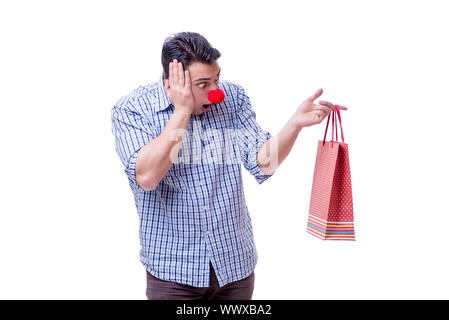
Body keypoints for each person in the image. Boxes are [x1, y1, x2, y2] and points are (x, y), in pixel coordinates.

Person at [111, 32, 347, 300]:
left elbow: (264, 164)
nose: (216, 92)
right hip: (173, 274)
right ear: (171, 84)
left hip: (234, 268)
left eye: (217, 79)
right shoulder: (132, 109)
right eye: (203, 84)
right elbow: (147, 177)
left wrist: (294, 124)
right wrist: (182, 111)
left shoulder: (233, 99)